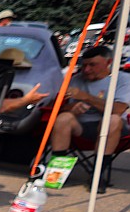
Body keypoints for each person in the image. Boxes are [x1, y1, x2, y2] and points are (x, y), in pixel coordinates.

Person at [48, 45, 130, 192]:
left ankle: (97, 175)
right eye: (84, 65)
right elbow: (60, 108)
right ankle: (56, 172)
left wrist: (86, 97)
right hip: (82, 125)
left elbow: (118, 110)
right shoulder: (77, 79)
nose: (86, 70)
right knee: (63, 118)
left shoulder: (122, 79)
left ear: (108, 62)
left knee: (112, 120)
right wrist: (71, 108)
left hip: (112, 129)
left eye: (93, 65)